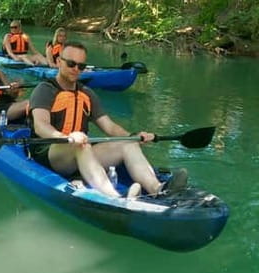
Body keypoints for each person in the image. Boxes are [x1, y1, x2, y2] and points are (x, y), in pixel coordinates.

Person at [28, 41, 188, 199]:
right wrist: (66, 138)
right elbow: (41, 126)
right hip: (50, 153)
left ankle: (158, 189)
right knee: (81, 145)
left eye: (81, 66)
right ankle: (115, 198)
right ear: (58, 61)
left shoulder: (87, 93)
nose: (76, 69)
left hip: (82, 150)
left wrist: (134, 136)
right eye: (71, 64)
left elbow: (109, 127)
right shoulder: (45, 89)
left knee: (128, 143)